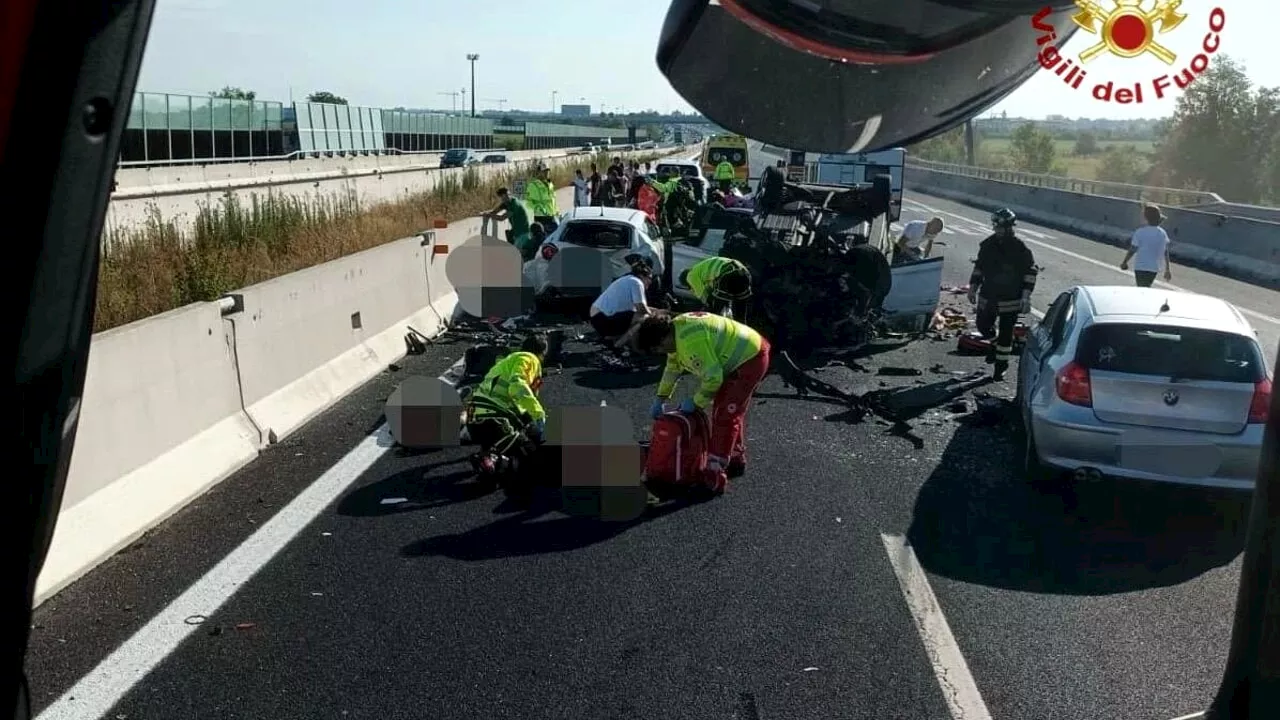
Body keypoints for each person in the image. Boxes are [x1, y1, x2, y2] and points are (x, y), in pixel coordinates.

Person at [636, 312, 772, 493]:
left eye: (658, 349)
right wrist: (661, 397)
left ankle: (714, 475)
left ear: (662, 339)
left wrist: (696, 402)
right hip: (742, 352)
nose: (660, 353)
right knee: (726, 411)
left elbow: (713, 379)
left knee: (726, 414)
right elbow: (672, 368)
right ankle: (735, 457)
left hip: (751, 359)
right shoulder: (676, 329)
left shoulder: (690, 342)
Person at [464, 333, 549, 483]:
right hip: (494, 418)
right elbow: (517, 386)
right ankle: (492, 462)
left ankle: (490, 455)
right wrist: (538, 414)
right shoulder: (529, 358)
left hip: (476, 420)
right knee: (529, 454)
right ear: (542, 353)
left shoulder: (505, 362)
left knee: (523, 429)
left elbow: (516, 402)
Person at [967, 208, 1037, 381]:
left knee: (1006, 334)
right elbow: (979, 268)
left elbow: (1030, 273)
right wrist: (973, 287)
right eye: (996, 227)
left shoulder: (1020, 248)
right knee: (983, 326)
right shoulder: (987, 245)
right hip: (988, 294)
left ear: (1009, 228)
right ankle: (994, 343)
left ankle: (1000, 368)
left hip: (1010, 298)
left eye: (1001, 227)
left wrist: (1026, 296)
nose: (997, 230)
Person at [589, 260, 655, 350]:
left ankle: (611, 337)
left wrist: (656, 310)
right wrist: (654, 316)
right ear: (642, 276)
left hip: (597, 317)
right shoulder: (637, 282)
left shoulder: (627, 279)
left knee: (638, 315)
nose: (651, 282)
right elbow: (641, 309)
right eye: (650, 278)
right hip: (603, 320)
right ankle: (619, 345)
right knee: (645, 318)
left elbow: (638, 307)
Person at [678, 256, 752, 317]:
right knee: (741, 315)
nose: (691, 291)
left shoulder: (690, 276)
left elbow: (705, 297)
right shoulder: (701, 270)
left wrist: (704, 310)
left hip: (727, 274)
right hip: (744, 272)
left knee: (714, 313)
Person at [1120, 204, 1173, 287]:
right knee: (1146, 287)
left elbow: (1133, 249)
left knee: (1142, 288)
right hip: (1154, 268)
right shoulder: (1163, 233)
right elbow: (1165, 252)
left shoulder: (1140, 232)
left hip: (1141, 266)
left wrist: (1125, 262)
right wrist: (1167, 269)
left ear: (1146, 218)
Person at [485, 187, 533, 259]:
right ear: (501, 198)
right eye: (504, 197)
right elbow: (495, 212)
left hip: (523, 233)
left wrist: (488, 215)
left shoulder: (514, 204)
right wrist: (486, 214)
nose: (507, 198)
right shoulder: (506, 203)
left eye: (508, 195)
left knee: (516, 254)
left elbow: (502, 218)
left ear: (510, 194)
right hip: (517, 233)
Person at [525, 165, 559, 232]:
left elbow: (553, 200)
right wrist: (539, 208)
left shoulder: (550, 184)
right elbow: (528, 203)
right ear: (539, 172)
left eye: (547, 171)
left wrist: (557, 212)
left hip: (552, 216)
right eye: (544, 171)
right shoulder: (533, 185)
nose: (546, 173)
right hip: (541, 217)